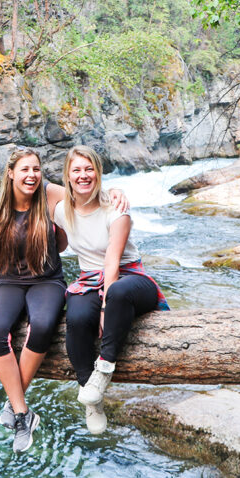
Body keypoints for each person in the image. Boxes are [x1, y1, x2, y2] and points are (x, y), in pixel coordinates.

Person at [0, 147, 127, 453]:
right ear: (11, 173)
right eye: (25, 170)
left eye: (37, 169)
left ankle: (13, 408)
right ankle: (22, 414)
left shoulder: (49, 194)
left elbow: (83, 191)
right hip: (8, 281)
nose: (31, 175)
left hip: (47, 280)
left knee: (42, 326)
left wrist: (115, 191)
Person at [52, 145, 170, 435]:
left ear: (98, 172)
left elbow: (112, 262)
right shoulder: (59, 209)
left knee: (116, 294)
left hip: (131, 278)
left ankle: (104, 371)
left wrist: (105, 308)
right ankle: (91, 399)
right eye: (76, 170)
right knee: (77, 319)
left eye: (89, 169)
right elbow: (26, 183)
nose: (83, 175)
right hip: (89, 278)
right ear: (67, 176)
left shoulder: (116, 208)